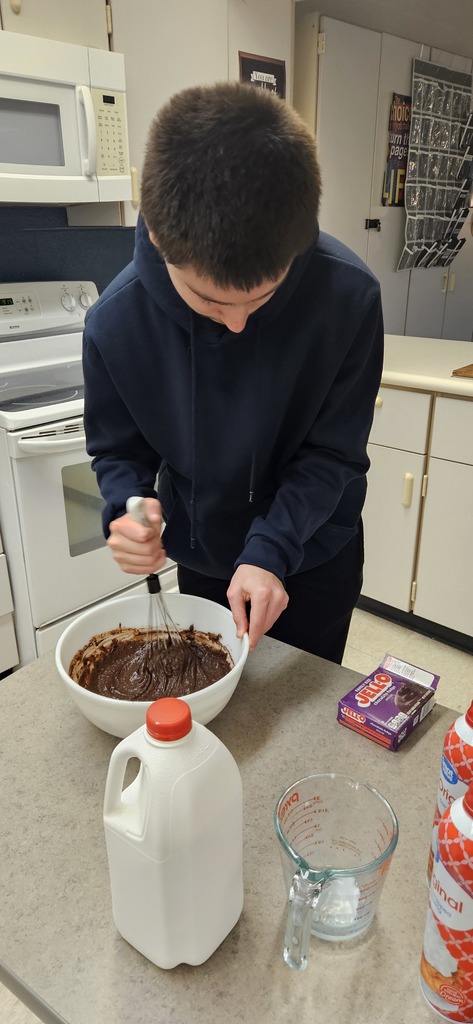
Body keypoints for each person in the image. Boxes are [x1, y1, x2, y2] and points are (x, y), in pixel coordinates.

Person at [83, 81, 383, 663]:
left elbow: (335, 452)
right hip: (203, 551)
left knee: (303, 723)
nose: (238, 324)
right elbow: (120, 452)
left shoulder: (349, 298)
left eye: (263, 298)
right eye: (210, 301)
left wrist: (272, 547)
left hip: (316, 549)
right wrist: (130, 507)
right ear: (159, 236)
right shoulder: (114, 324)